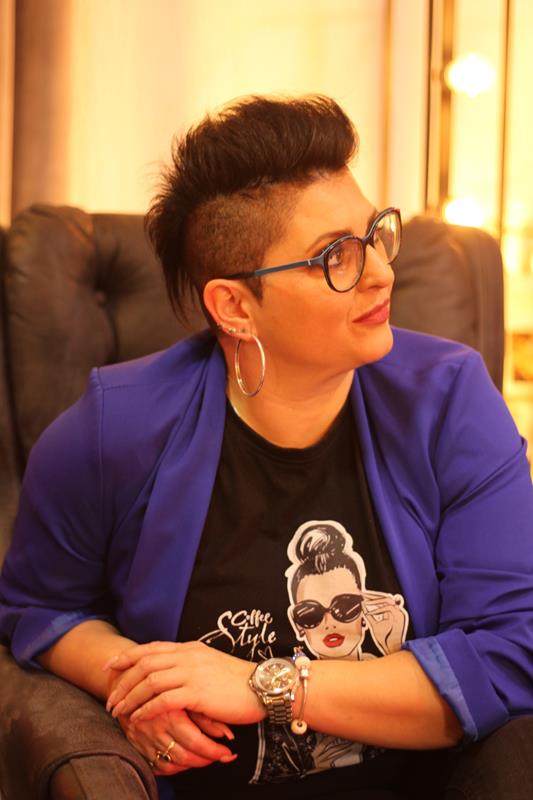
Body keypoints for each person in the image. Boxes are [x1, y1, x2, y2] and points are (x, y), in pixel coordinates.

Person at [1, 94, 532, 800]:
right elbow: (36, 610)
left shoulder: (449, 401)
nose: (379, 271)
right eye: (336, 256)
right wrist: (141, 681)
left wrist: (266, 685)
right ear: (234, 306)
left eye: (375, 234)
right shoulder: (112, 430)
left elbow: (511, 650)